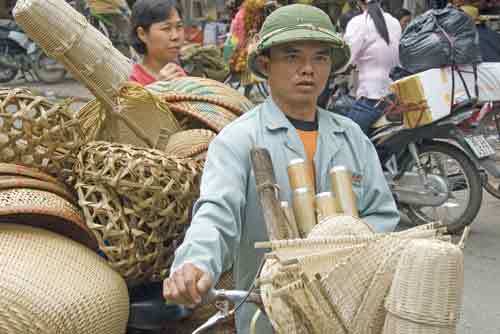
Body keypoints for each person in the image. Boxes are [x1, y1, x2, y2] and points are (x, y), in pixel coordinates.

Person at [163, 4, 400, 334]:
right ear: (265, 64)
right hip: (269, 319)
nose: (308, 69)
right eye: (291, 56)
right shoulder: (240, 140)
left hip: (349, 316)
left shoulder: (352, 138)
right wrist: (195, 262)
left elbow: (383, 215)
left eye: (319, 57)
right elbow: (217, 212)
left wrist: (346, 245)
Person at [341, 0, 401, 133]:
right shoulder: (394, 22)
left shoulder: (358, 23)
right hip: (392, 95)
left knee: (345, 140)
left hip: (371, 97)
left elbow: (344, 58)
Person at [129, 0, 187, 86]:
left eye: (179, 26)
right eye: (166, 28)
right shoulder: (132, 82)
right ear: (142, 34)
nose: (175, 36)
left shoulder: (177, 72)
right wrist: (158, 88)